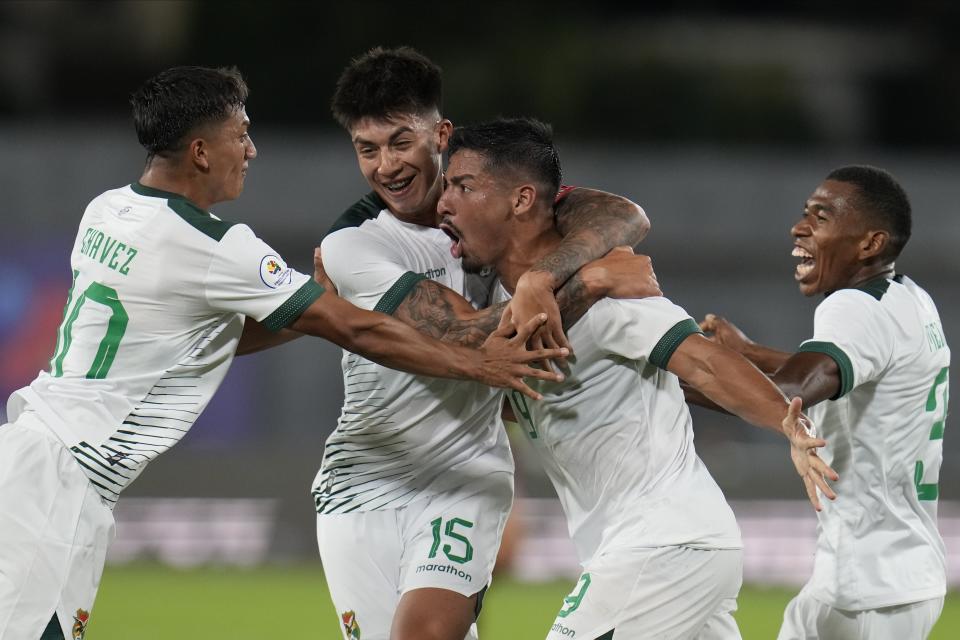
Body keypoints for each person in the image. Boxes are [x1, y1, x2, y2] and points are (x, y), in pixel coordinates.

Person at [0, 66, 566, 640]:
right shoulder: (218, 247)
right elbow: (357, 331)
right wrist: (479, 364)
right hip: (60, 482)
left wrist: (308, 303)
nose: (251, 149)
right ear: (200, 151)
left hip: (33, 453)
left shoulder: (107, 210)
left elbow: (193, 339)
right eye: (239, 134)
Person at [436, 116, 838, 639]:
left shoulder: (613, 289)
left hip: (661, 546)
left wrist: (788, 426)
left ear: (520, 200)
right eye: (446, 186)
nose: (444, 202)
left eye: (463, 186)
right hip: (665, 548)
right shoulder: (500, 302)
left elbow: (702, 360)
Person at [314, 47, 660, 640]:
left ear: (440, 134)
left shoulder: (491, 202)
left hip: (466, 473)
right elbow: (468, 338)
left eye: (401, 142)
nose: (386, 166)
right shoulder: (353, 245)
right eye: (366, 150)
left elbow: (625, 215)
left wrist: (539, 278)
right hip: (364, 476)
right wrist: (593, 280)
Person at [697, 165, 948, 640]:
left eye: (821, 216)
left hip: (873, 588)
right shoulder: (911, 300)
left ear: (869, 244)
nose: (799, 227)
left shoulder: (852, 307)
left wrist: (668, 369)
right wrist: (749, 354)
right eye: (805, 213)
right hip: (884, 574)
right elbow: (842, 372)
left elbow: (790, 394)